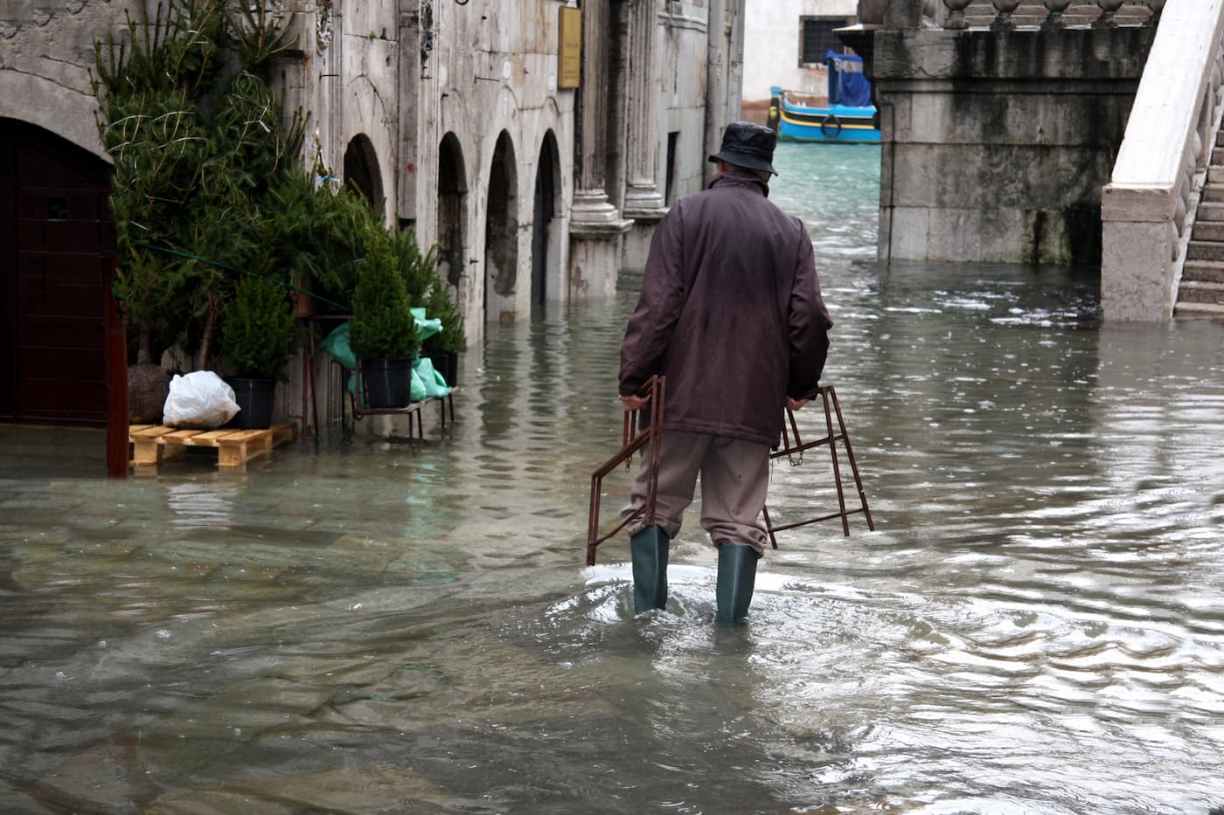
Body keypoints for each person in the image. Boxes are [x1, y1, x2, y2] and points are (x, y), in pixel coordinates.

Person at [618, 121, 833, 624]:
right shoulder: (791, 232)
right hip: (753, 403)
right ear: (765, 175)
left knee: (654, 506)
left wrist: (633, 378)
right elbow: (810, 317)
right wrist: (800, 385)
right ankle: (732, 638)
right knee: (739, 521)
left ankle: (647, 627)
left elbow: (658, 306)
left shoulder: (686, 215)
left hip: (680, 397)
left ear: (721, 166)